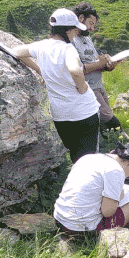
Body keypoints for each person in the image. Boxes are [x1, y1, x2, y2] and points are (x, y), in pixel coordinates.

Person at [14, 8, 100, 162]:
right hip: (84, 113)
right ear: (66, 30)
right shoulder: (68, 49)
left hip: (61, 116)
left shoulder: (41, 46)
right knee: (88, 161)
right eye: (74, 31)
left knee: (75, 155)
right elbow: (74, 69)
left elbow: (17, 52)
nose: (75, 35)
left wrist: (41, 71)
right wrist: (82, 87)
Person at [53, 142, 129, 243]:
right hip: (82, 231)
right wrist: (119, 197)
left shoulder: (88, 158)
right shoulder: (116, 170)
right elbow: (108, 212)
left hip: (60, 221)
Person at [72, 2, 122, 136]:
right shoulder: (71, 40)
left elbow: (94, 62)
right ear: (81, 18)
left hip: (99, 86)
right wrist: (101, 63)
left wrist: (109, 64)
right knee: (112, 122)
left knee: (104, 124)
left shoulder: (87, 39)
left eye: (94, 25)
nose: (92, 28)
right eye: (90, 23)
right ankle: (128, 148)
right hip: (88, 88)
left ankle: (106, 149)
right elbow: (77, 70)